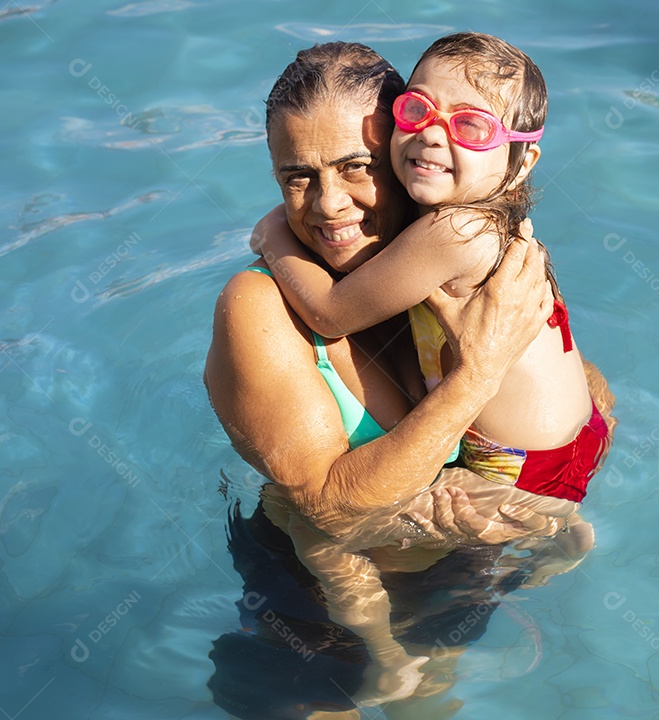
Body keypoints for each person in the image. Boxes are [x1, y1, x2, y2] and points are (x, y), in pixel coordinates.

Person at [204, 41, 612, 716]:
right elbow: (330, 512)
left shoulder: (430, 255)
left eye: (356, 167)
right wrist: (478, 376)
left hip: (463, 564)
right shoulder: (262, 306)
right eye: (296, 178)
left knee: (426, 702)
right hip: (313, 609)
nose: (329, 206)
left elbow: (556, 360)